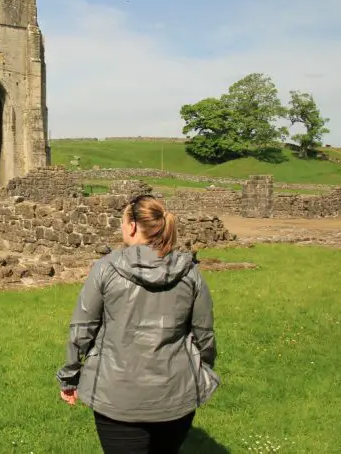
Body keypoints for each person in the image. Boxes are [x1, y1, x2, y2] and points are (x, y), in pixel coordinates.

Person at [56, 194, 219, 454]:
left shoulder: (105, 269)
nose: (121, 228)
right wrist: (205, 369)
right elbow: (205, 335)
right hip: (175, 396)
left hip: (117, 399)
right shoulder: (190, 273)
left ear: (132, 225)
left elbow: (81, 330)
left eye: (122, 221)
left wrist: (69, 376)